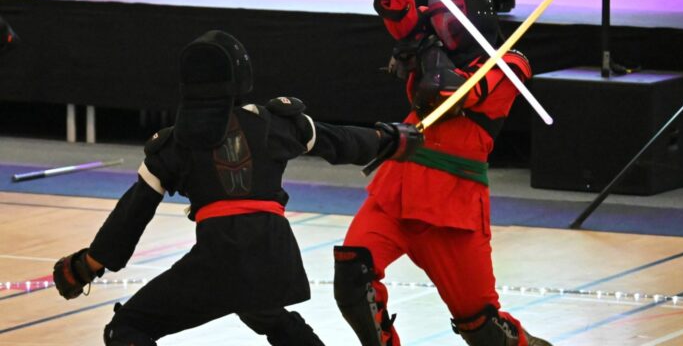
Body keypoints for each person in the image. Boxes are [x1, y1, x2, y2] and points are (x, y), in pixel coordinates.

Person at [52, 30, 422, 346]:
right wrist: (391, 137)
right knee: (262, 310)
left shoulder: (172, 144)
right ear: (241, 76)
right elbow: (339, 141)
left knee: (127, 329)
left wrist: (87, 266)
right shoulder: (274, 122)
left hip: (218, 259)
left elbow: (132, 216)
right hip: (275, 257)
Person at [332, 0, 552, 346]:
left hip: (452, 211)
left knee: (482, 328)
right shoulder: (429, 47)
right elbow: (392, 10)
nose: (441, 29)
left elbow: (450, 93)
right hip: (397, 190)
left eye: (449, 22)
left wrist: (424, 45)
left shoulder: (510, 61)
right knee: (352, 275)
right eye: (437, 20)